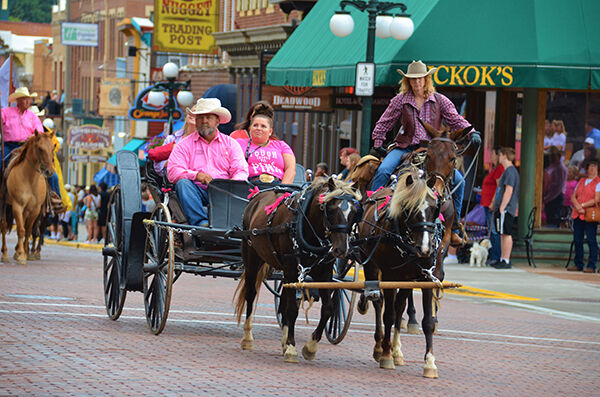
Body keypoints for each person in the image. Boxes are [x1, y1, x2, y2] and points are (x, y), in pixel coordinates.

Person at [370, 60, 478, 246]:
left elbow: (455, 119)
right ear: (408, 82)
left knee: (460, 181)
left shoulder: (440, 100)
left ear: (426, 79)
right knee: (384, 170)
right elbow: (384, 122)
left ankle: (453, 228)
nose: (417, 83)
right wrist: (378, 141)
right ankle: (373, 213)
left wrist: (472, 133)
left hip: (432, 150)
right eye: (413, 80)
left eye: (420, 79)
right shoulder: (400, 100)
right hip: (404, 147)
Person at [167, 98, 248, 227]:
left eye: (208, 117)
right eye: (200, 117)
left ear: (217, 121)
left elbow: (241, 170)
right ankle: (201, 223)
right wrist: (196, 175)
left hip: (224, 192)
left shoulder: (231, 144)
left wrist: (230, 185)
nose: (204, 121)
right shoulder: (184, 145)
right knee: (183, 183)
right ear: (196, 120)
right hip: (196, 191)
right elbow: (173, 171)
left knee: (240, 187)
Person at [236, 113, 296, 184]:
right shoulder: (239, 143)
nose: (258, 128)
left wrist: (282, 189)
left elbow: (290, 169)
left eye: (263, 126)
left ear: (270, 131)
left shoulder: (282, 145)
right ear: (250, 129)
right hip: (250, 185)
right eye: (255, 125)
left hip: (277, 185)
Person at [567, 159, 600, 273]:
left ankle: (591, 265)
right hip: (578, 213)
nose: (592, 168)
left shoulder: (598, 182)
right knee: (577, 239)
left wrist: (582, 205)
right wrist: (577, 206)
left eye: (595, 166)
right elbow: (573, 196)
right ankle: (578, 263)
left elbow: (596, 199)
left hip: (590, 214)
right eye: (590, 166)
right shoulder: (582, 180)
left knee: (591, 239)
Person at [490, 147, 519, 269]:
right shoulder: (507, 171)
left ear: (505, 156)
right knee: (502, 233)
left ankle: (506, 259)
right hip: (503, 208)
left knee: (506, 233)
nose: (499, 157)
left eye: (500, 155)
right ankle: (502, 258)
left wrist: (502, 207)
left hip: (506, 208)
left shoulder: (510, 171)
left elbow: (509, 190)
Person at [0, 87, 42, 172]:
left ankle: (53, 185)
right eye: (24, 99)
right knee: (0, 163)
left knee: (47, 167)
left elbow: (40, 132)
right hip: (9, 146)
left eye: (28, 99)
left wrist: (33, 136)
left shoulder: (33, 116)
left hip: (27, 146)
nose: (27, 101)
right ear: (18, 100)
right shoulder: (5, 112)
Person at [480, 147, 504, 264]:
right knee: (491, 229)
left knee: (493, 230)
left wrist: (494, 202)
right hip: (486, 202)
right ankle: (493, 255)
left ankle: (496, 256)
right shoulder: (493, 168)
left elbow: (499, 186)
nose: (490, 156)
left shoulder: (499, 169)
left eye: (492, 154)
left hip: (491, 203)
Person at [543, 146, 567, 227]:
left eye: (553, 155)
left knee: (553, 219)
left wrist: (547, 198)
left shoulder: (559, 169)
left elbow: (557, 187)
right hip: (551, 197)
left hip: (555, 197)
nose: (551, 158)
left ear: (559, 156)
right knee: (550, 219)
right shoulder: (552, 167)